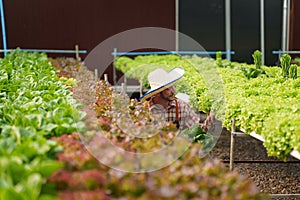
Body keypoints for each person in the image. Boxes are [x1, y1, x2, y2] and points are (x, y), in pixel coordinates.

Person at [139, 67, 214, 131]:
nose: (173, 91)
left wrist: (211, 116)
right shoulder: (145, 111)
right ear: (158, 93)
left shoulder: (182, 106)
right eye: (168, 89)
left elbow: (197, 130)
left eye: (173, 87)